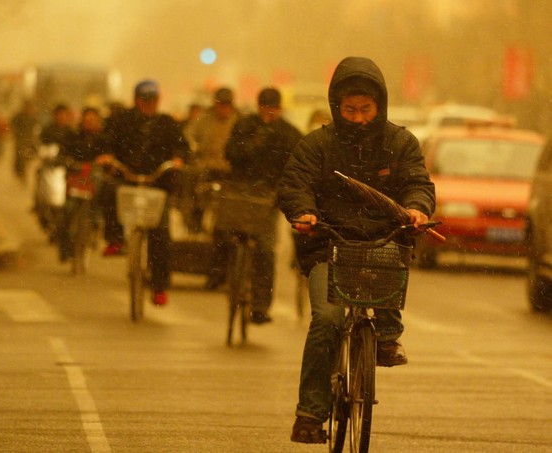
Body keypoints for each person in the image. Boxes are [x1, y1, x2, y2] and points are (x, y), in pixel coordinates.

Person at [278, 56, 436, 443]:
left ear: (380, 105)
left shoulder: (401, 143)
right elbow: (295, 184)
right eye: (350, 109)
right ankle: (311, 414)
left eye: (366, 109)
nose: (359, 117)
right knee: (328, 320)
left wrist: (417, 209)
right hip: (328, 244)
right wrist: (304, 213)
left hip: (384, 243)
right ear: (337, 106)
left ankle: (386, 333)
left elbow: (418, 183)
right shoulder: (317, 145)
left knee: (388, 280)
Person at [98, 79, 189, 306]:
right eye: (144, 100)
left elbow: (182, 147)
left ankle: (159, 286)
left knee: (162, 235)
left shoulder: (167, 124)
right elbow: (106, 143)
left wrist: (178, 159)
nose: (149, 104)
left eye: (153, 100)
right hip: (126, 179)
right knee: (107, 190)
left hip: (158, 184)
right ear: (137, 100)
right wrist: (108, 157)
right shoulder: (121, 121)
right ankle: (115, 238)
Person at [223, 87, 302, 324]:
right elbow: (230, 153)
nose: (268, 113)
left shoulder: (290, 134)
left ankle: (260, 305)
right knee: (227, 238)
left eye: (273, 108)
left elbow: (296, 169)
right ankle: (228, 281)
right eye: (265, 108)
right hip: (242, 194)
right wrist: (253, 144)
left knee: (265, 249)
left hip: (269, 198)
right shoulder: (245, 125)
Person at [183, 87, 240, 288]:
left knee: (225, 225)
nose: (223, 109)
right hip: (205, 169)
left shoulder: (239, 122)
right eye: (220, 105)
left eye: (226, 105)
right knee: (191, 183)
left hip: (230, 173)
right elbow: (189, 135)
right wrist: (194, 148)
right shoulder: (204, 119)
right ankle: (192, 215)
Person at [56, 107, 105, 262]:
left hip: (94, 183)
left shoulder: (104, 139)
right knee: (66, 212)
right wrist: (67, 161)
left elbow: (111, 157)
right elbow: (62, 153)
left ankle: (95, 231)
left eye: (93, 120)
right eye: (87, 120)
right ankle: (64, 250)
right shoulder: (73, 137)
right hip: (75, 181)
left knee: (98, 210)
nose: (90, 123)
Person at [11, 100, 40, 183]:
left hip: (30, 141)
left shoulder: (33, 117)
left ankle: (23, 174)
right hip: (20, 140)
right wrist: (16, 132)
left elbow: (36, 128)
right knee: (19, 157)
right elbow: (13, 124)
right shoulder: (19, 116)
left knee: (28, 158)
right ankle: (19, 172)